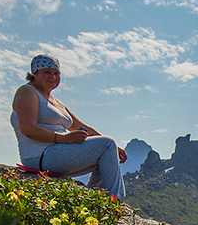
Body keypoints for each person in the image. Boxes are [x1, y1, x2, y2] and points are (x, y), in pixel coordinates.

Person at [11, 54, 127, 200]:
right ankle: (113, 200)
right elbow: (27, 128)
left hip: (56, 153)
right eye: (47, 72)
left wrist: (114, 148)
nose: (53, 77)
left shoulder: (55, 101)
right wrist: (63, 138)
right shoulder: (27, 91)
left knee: (107, 149)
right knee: (106, 145)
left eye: (56, 73)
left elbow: (81, 127)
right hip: (39, 156)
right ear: (34, 73)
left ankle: (98, 199)